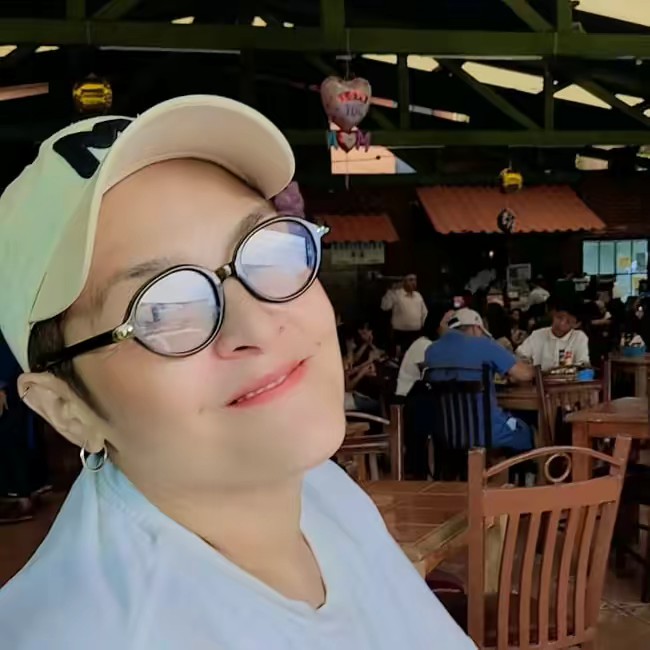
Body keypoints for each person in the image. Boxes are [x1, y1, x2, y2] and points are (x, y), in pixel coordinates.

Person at [0, 96, 473, 649]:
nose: (257, 322)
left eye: (269, 250)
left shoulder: (321, 488)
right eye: (162, 308)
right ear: (67, 409)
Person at [424, 308, 534, 451]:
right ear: (476, 328)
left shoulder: (431, 351)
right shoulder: (485, 345)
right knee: (527, 430)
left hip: (446, 434)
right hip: (487, 434)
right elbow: (525, 374)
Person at [0, 331, 35, 523]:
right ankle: (16, 496)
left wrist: (2, 386)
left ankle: (23, 499)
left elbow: (8, 348)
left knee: (11, 438)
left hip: (10, 386)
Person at [516, 299, 590, 370]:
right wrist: (526, 364)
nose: (562, 323)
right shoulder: (537, 334)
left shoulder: (579, 337)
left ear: (576, 324)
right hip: (539, 377)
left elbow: (583, 364)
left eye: (568, 321)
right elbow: (520, 355)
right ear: (553, 314)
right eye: (559, 317)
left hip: (569, 378)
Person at [395, 307, 450, 398]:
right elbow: (433, 372)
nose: (452, 328)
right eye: (448, 323)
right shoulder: (423, 344)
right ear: (436, 323)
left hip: (422, 396)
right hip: (407, 397)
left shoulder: (437, 345)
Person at [380, 273, 428, 354]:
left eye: (415, 280)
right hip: (400, 333)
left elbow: (424, 313)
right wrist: (390, 292)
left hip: (416, 333)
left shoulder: (418, 295)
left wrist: (425, 328)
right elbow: (384, 307)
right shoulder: (396, 294)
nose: (413, 282)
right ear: (404, 282)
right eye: (410, 280)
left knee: (414, 355)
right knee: (400, 356)